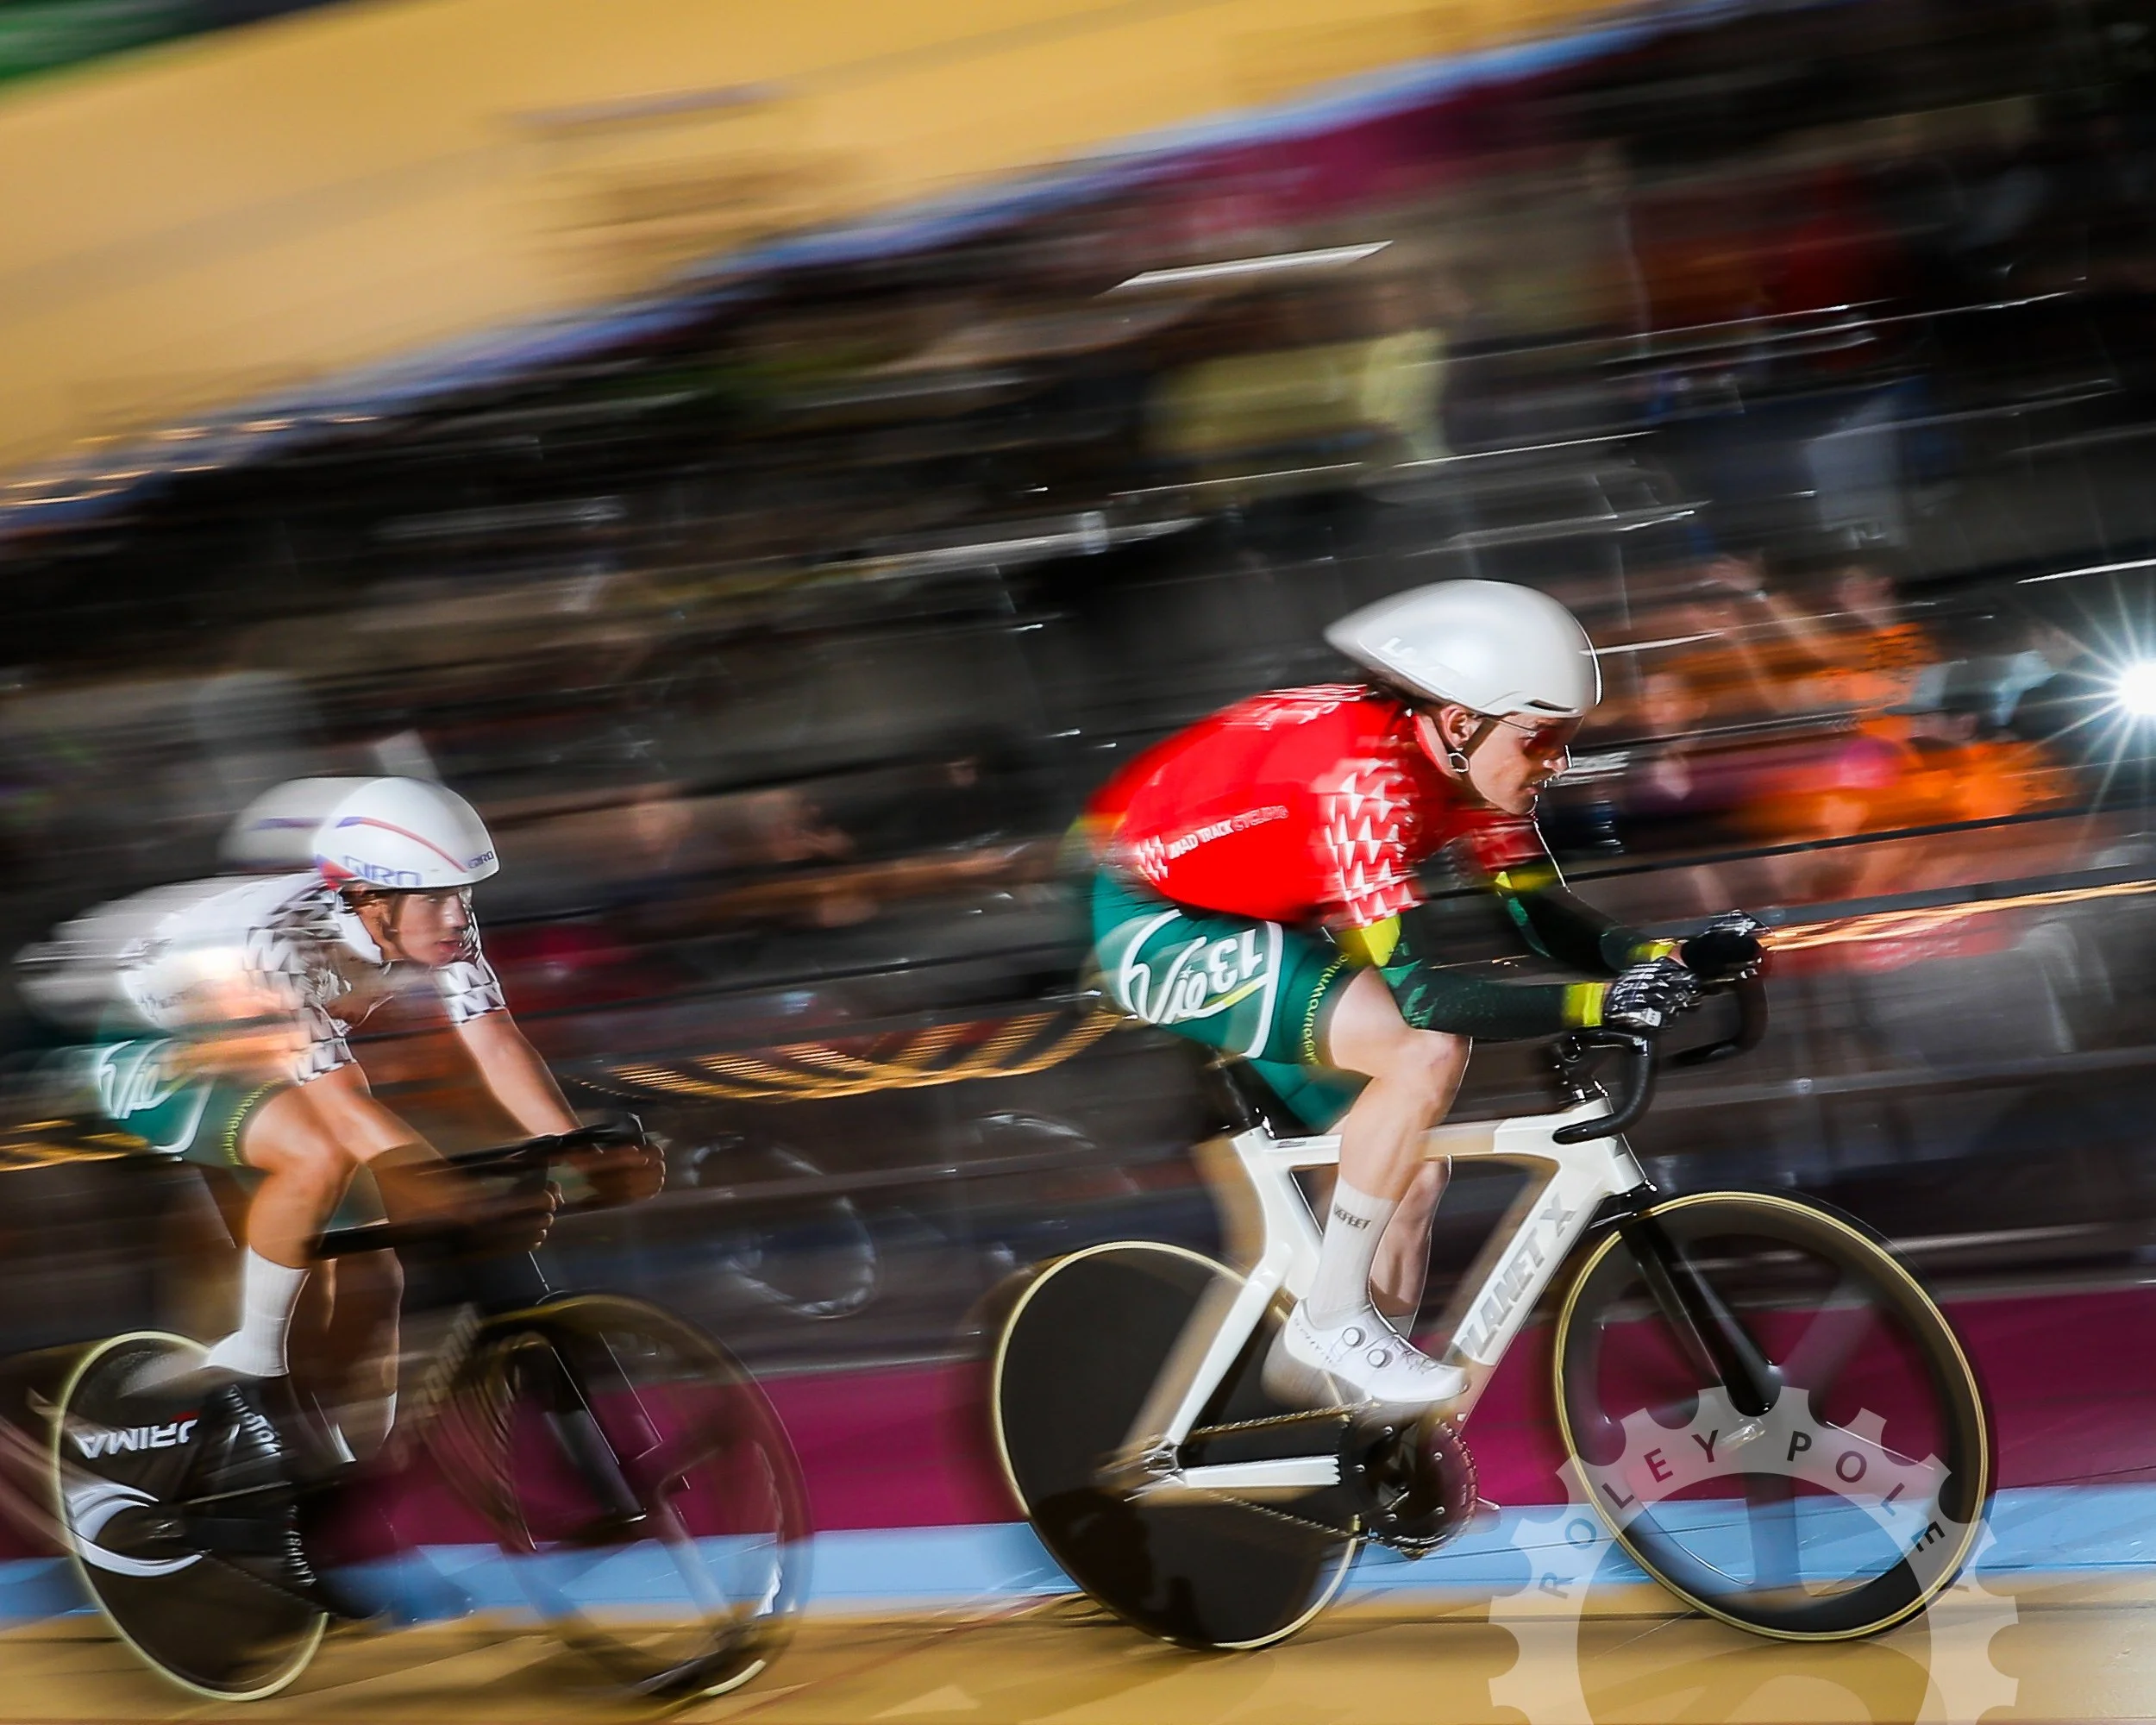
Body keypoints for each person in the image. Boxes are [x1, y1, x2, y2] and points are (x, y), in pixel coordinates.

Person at [1081, 581, 1762, 1408]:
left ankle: (1361, 1420)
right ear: (1461, 721)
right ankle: (1333, 1321)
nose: (1558, 762)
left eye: (1567, 739)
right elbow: (1428, 1002)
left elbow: (1539, 917)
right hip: (1154, 919)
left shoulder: (1467, 767)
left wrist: (1668, 955)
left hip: (1262, 915)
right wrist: (1599, 1004)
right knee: (1423, 1053)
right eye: (1543, 739)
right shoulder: (1364, 781)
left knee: (1406, 1177)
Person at [20, 775, 659, 1594]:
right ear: (367, 899)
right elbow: (340, 1102)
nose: (457, 917)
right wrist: (433, 1184)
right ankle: (250, 1367)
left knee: (375, 1282)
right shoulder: (284, 940)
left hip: (249, 1054)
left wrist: (569, 1147)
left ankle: (320, 1486)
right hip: (150, 1051)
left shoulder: (437, 923)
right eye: (435, 899)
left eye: (463, 896)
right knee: (316, 1153)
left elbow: (496, 1042)